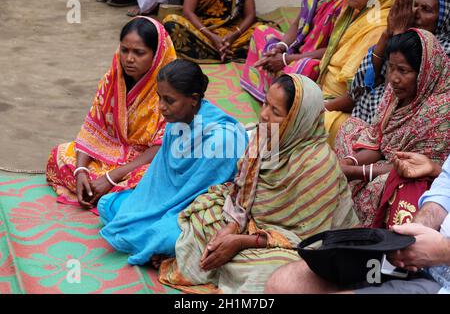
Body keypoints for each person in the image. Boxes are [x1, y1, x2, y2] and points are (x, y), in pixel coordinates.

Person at [158, 74, 359, 294]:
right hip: (254, 225)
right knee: (201, 218)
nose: (263, 115)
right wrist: (232, 227)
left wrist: (242, 242)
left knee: (270, 274)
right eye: (265, 103)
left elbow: (309, 239)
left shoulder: (318, 164)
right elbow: (242, 193)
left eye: (276, 112)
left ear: (297, 120)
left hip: (298, 246)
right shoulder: (267, 137)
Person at [97, 59, 248, 266]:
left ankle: (162, 242)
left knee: (163, 237)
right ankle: (156, 239)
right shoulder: (177, 120)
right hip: (170, 200)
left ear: (194, 99)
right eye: (160, 98)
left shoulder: (221, 140)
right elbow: (159, 178)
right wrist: (152, 207)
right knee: (108, 205)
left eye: (169, 100)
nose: (161, 107)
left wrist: (165, 213)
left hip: (201, 209)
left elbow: (205, 196)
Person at [265, 154, 450, 294]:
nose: (265, 115)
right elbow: (445, 186)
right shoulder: (266, 142)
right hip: (419, 259)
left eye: (276, 111)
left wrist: (441, 251)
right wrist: (414, 235)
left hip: (441, 278)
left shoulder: (314, 160)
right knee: (282, 283)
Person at [46, 17, 176, 208]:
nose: (129, 59)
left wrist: (110, 178)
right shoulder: (112, 79)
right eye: (124, 50)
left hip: (146, 161)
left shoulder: (169, 88)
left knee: (149, 178)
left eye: (139, 53)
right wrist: (81, 170)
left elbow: (161, 146)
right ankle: (100, 192)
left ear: (156, 54)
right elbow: (93, 127)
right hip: (110, 153)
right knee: (60, 154)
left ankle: (106, 192)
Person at [334, 29, 450, 227]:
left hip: (417, 176)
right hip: (385, 160)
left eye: (403, 71)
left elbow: (414, 167)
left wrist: (355, 172)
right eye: (391, 68)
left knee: (381, 185)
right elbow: (377, 141)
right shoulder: (395, 92)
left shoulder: (440, 110)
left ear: (425, 72)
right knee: (349, 128)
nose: (394, 78)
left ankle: (365, 229)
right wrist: (348, 161)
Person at [331, 0, 450, 129]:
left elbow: (394, 100)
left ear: (443, 19)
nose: (414, 13)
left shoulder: (443, 52)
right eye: (414, 5)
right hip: (369, 114)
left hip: (401, 125)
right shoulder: (405, 36)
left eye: (426, 9)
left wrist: (398, 34)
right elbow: (358, 89)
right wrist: (388, 32)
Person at [316, 0, 396, 147]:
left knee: (287, 117)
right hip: (325, 96)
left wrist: (317, 107)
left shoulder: (378, 27)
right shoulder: (360, 13)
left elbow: (352, 97)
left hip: (341, 110)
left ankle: (268, 162)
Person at [240, 0, 346, 102]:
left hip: (316, 59)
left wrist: (286, 59)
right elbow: (296, 24)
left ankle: (279, 97)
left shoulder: (346, 3)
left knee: (305, 67)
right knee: (261, 31)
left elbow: (333, 50)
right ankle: (276, 90)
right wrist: (279, 48)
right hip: (296, 49)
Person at [162, 0, 265, 63]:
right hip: (203, 31)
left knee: (264, 30)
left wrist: (233, 36)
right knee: (171, 21)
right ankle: (229, 51)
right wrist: (211, 37)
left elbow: (251, 15)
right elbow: (188, 13)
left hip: (233, 32)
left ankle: (219, 51)